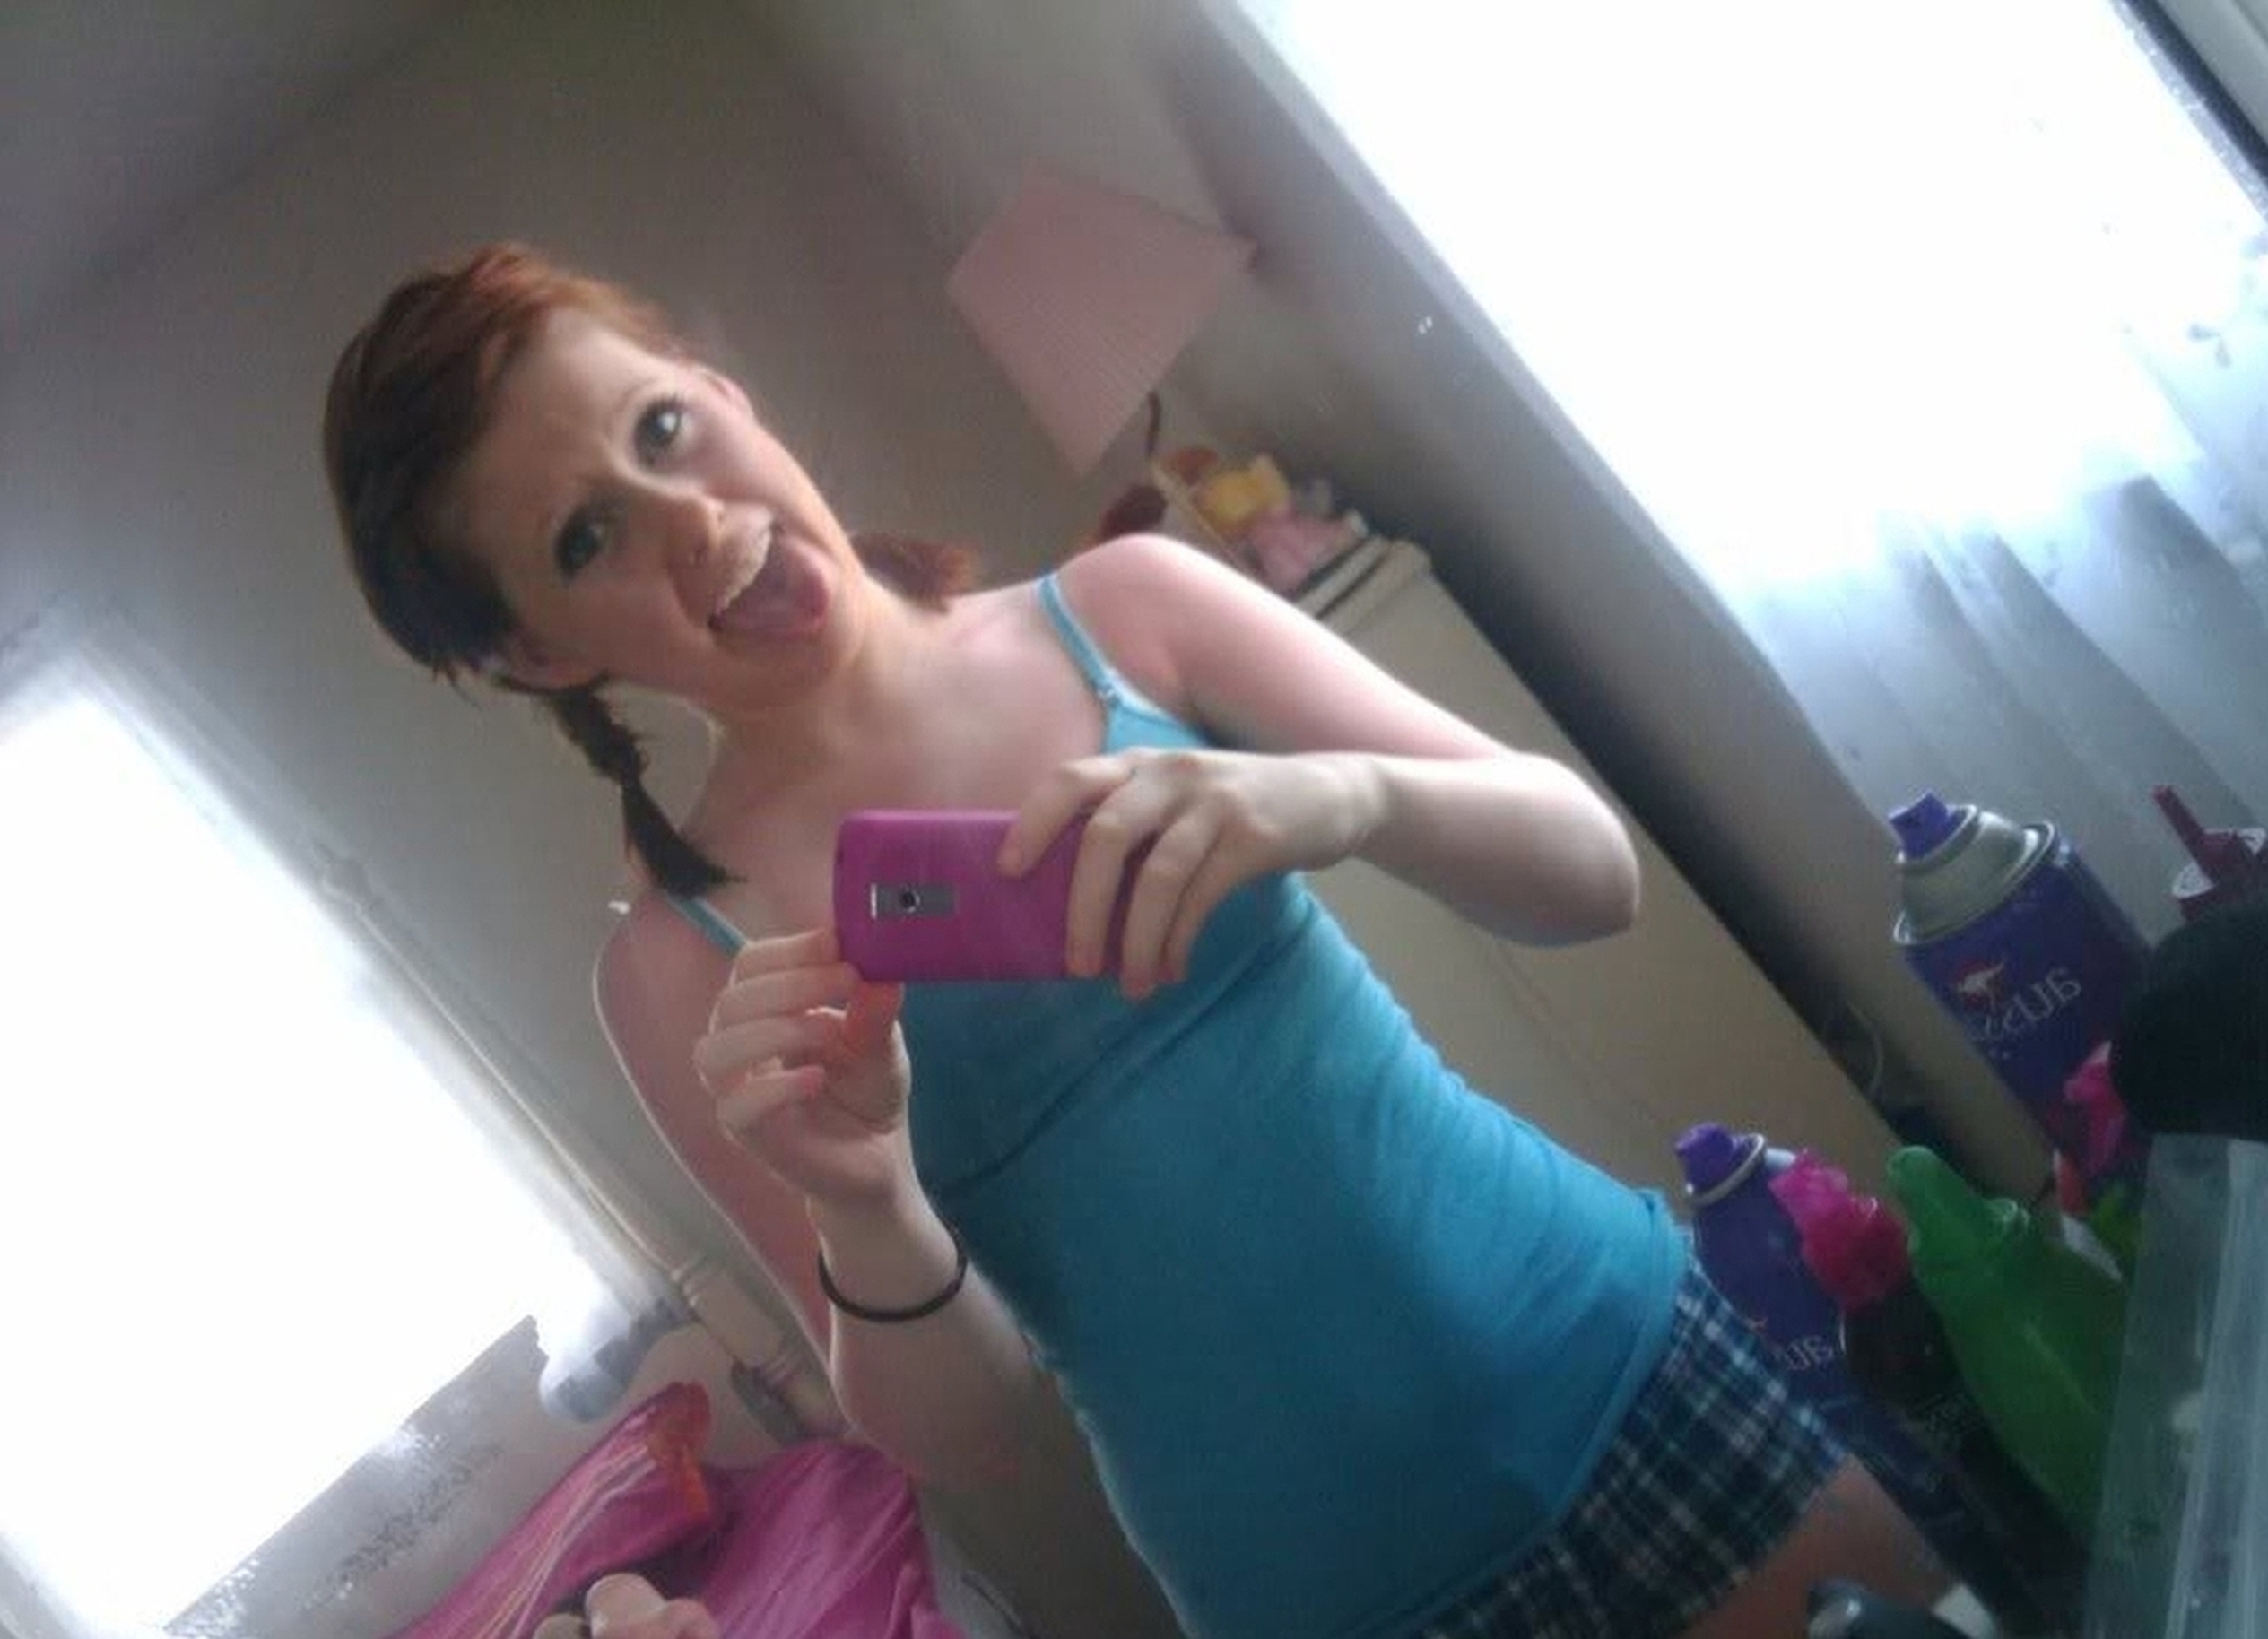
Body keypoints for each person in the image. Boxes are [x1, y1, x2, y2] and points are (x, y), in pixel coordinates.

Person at [325, 244, 1948, 1639]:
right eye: (586, 538)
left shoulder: (1129, 607)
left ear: (718, 389)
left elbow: (1593, 877)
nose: (685, 520)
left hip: (1627, 1364)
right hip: (1327, 1598)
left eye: (662, 428)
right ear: (540, 657)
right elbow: (968, 1440)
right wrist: (866, 1197)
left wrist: (1339, 797)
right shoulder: (681, 969)